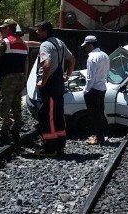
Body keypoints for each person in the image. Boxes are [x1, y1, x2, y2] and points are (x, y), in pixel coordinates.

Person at [32, 20, 76, 157]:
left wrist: (42, 82)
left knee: (47, 115)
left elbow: (47, 64)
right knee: (58, 114)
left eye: (38, 30)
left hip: (49, 86)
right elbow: (72, 59)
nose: (36, 32)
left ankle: (50, 149)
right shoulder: (59, 42)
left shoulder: (45, 45)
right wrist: (66, 76)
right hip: (58, 85)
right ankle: (60, 145)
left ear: (45, 31)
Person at [0, 18, 28, 147]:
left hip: (7, 79)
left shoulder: (5, 42)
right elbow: (26, 63)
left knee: (2, 106)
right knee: (16, 105)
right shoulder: (22, 43)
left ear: (8, 28)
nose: (1, 30)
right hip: (20, 78)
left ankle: (4, 136)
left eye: (2, 28)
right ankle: (16, 132)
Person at [81, 35, 110, 145]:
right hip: (102, 88)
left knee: (94, 115)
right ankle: (100, 135)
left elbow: (90, 77)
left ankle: (99, 138)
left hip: (93, 89)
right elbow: (107, 72)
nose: (85, 48)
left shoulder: (92, 57)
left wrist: (86, 90)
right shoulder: (105, 55)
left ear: (90, 45)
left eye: (86, 46)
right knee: (100, 114)